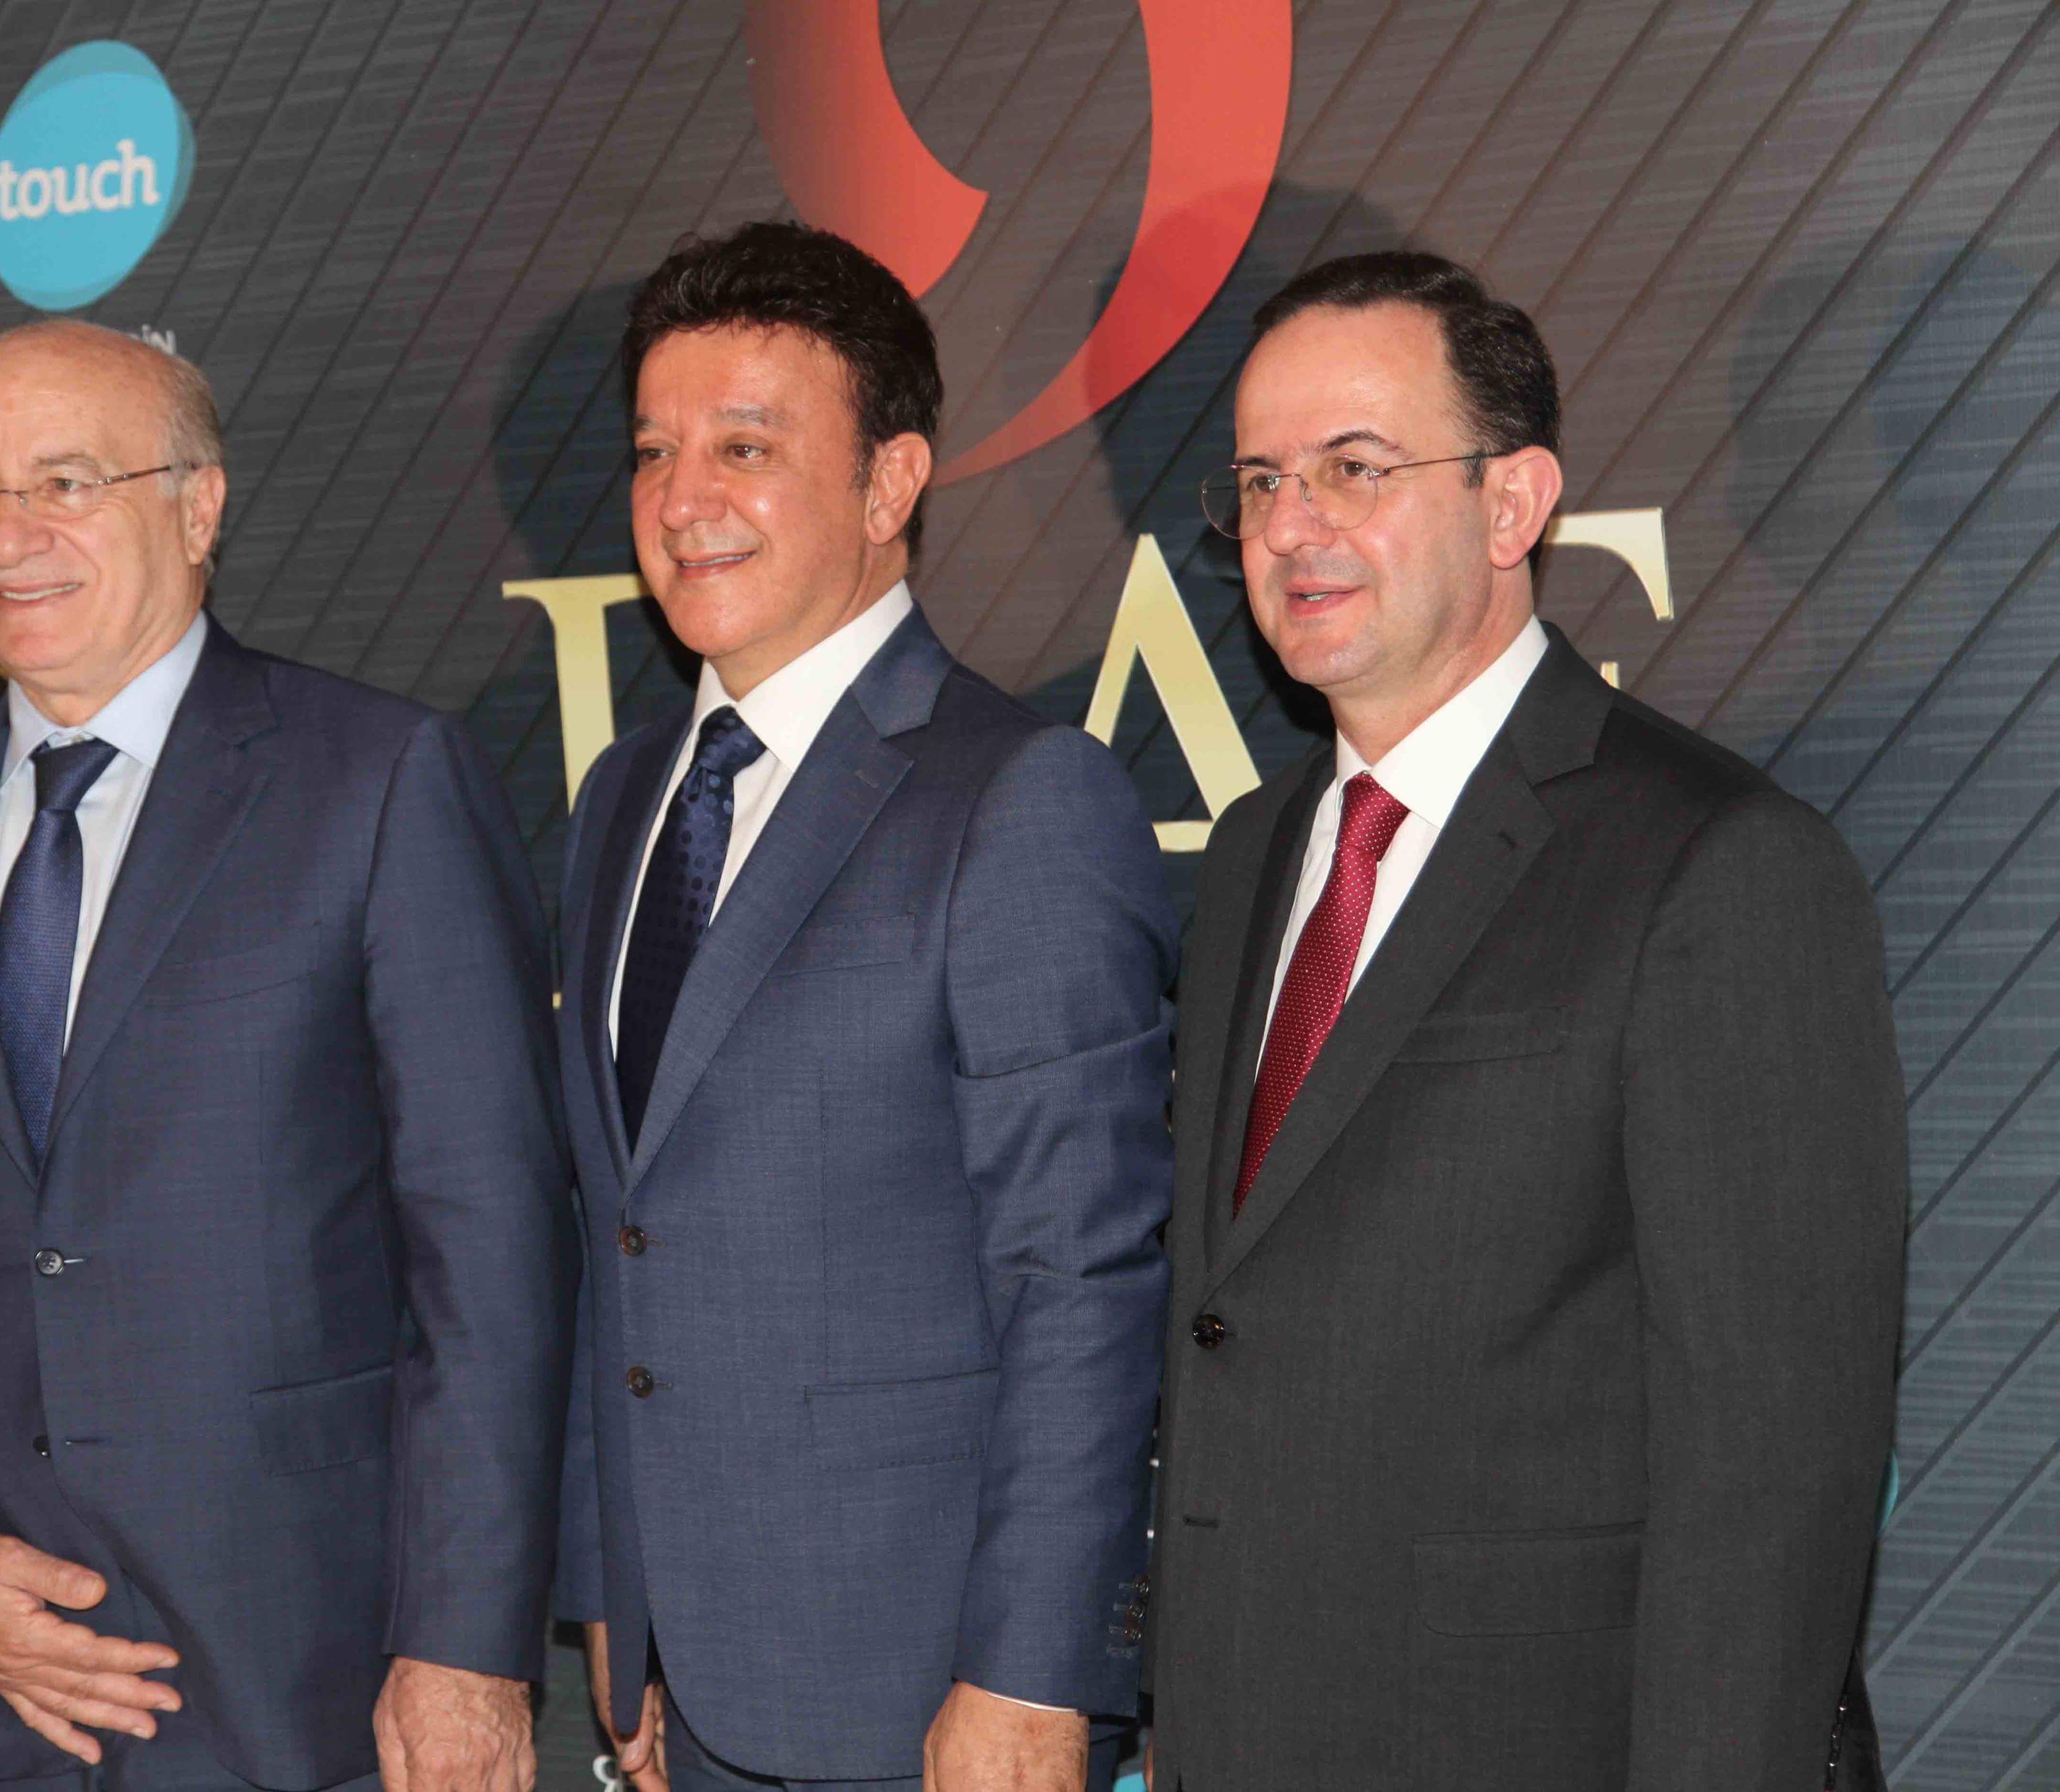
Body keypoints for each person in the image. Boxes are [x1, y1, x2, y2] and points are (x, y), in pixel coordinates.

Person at [0, 319, 576, 1792]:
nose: (11, 536)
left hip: (319, 1699)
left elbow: (489, 1243)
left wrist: (465, 1648)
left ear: (198, 507)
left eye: (67, 481)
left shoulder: (376, 782)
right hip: (0, 1702)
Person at [1147, 251, 1906, 1791]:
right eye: (1261, 481)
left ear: (1511, 505)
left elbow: (1770, 1468)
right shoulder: (1248, 853)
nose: (1289, 526)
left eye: (1354, 469)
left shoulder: (1715, 865)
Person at [551, 221, 1178, 1792]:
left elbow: (1081, 1276)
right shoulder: (621, 797)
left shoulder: (1017, 799)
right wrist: (624, 1602)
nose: (680, 500)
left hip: (930, 1693)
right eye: (653, 451)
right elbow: (616, 1232)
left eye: (744, 447)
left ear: (890, 484)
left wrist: (1031, 1674)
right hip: (686, 1684)